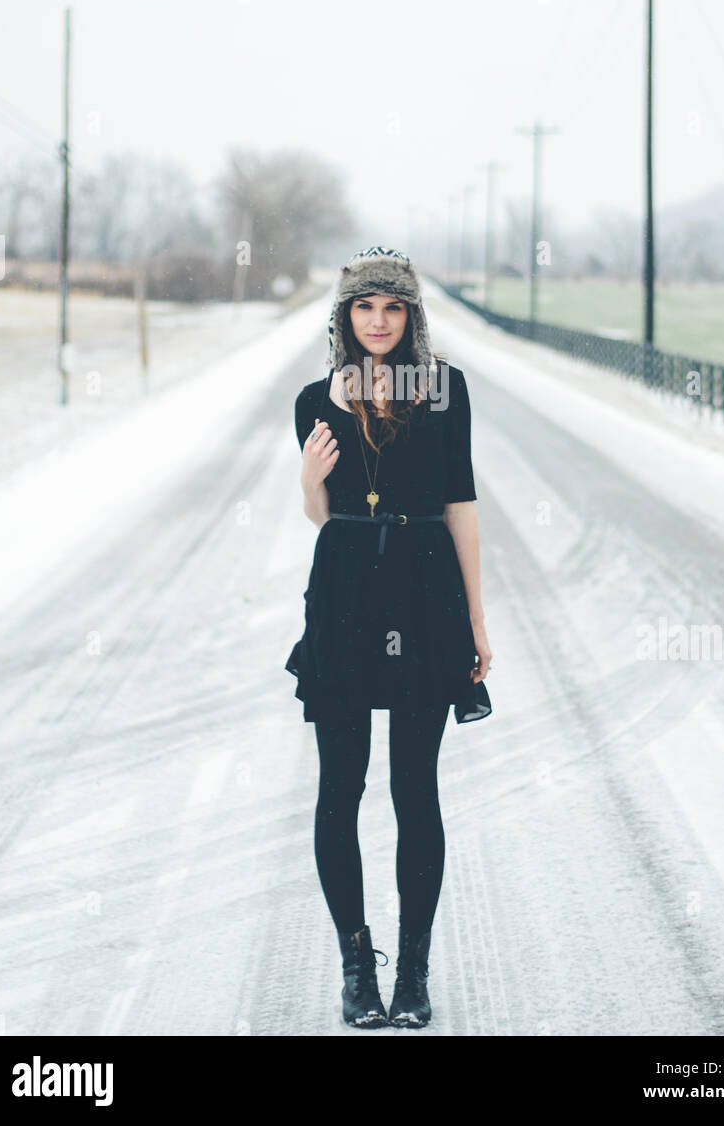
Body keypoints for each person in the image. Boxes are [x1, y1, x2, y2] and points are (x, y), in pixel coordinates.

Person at [285, 245, 493, 1029]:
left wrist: (476, 617)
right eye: (364, 307)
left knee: (415, 789)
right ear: (345, 316)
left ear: (412, 315)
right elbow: (323, 515)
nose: (378, 321)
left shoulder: (445, 391)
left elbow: (461, 505)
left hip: (424, 592)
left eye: (393, 307)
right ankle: (355, 966)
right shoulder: (313, 397)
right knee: (341, 789)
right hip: (343, 595)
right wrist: (308, 481)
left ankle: (412, 972)